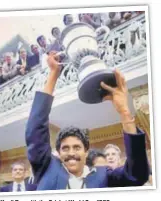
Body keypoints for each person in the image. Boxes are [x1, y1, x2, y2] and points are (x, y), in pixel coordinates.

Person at [25, 52, 149, 190]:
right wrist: (54, 74)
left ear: (87, 152)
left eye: (77, 147)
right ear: (59, 153)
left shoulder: (103, 175)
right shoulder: (47, 167)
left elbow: (137, 175)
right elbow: (35, 130)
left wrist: (125, 112)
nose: (71, 153)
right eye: (65, 148)